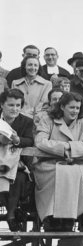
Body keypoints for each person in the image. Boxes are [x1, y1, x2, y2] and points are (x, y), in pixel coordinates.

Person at [33, 92, 83, 232]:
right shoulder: (47, 120)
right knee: (59, 172)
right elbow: (40, 141)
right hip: (49, 163)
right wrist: (62, 149)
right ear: (62, 107)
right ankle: (51, 218)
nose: (75, 111)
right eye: (71, 107)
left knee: (74, 172)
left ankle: (69, 217)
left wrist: (70, 147)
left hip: (76, 163)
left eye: (78, 108)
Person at [0, 89, 34, 231]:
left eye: (18, 105)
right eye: (11, 105)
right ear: (2, 105)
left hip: (17, 162)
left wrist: (17, 139)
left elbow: (30, 140)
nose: (15, 109)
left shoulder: (26, 121)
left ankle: (11, 215)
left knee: (19, 177)